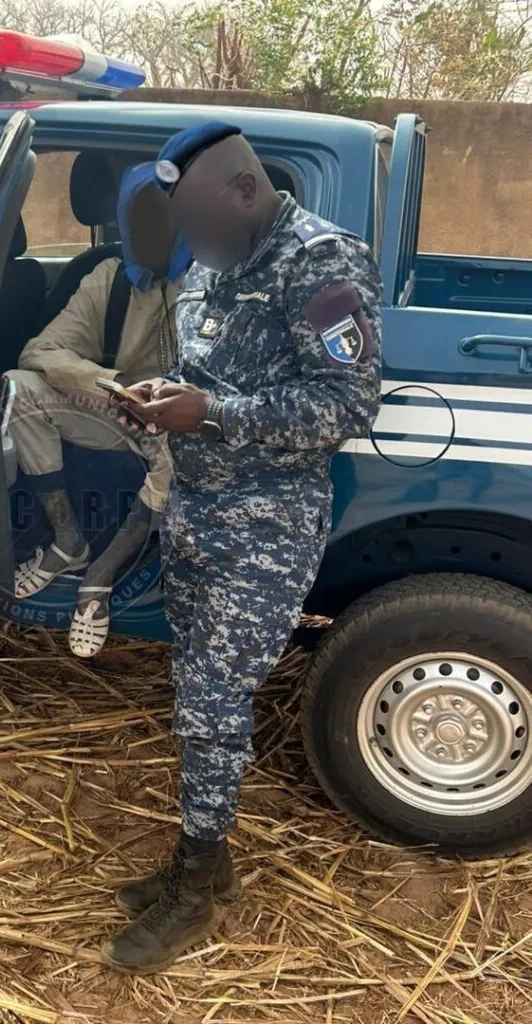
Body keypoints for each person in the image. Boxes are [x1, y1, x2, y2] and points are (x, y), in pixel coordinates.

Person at [101, 123, 383, 973]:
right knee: (196, 686)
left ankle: (196, 888)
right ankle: (207, 860)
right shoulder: (216, 261)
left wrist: (215, 415)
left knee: (212, 704)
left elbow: (347, 405)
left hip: (265, 528)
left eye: (196, 221)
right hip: (196, 511)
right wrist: (162, 399)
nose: (190, 240)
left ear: (246, 189)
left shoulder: (320, 263)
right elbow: (210, 375)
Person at [6, 163, 190, 658]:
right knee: (19, 388)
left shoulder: (210, 285)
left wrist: (168, 402)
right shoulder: (109, 279)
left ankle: (101, 574)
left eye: (162, 219)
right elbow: (40, 352)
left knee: (184, 451)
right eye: (137, 221)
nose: (148, 233)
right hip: (114, 409)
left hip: (179, 424)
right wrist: (112, 387)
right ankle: (68, 541)